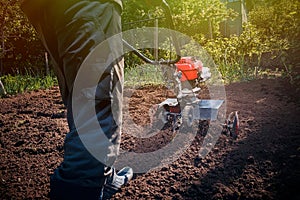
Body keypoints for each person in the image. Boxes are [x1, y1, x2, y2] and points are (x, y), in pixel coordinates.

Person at [20, 0, 133, 199]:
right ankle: (78, 187)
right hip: (89, 6)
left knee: (82, 95)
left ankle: (101, 176)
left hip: (46, 10)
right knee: (98, 98)